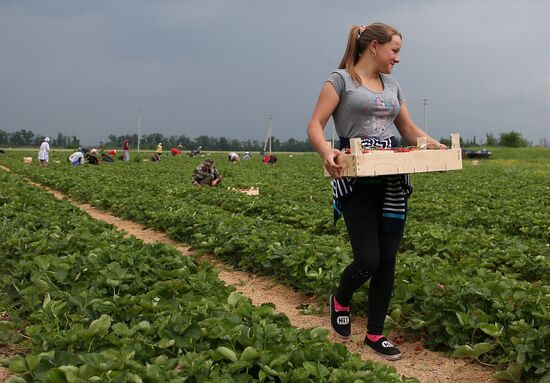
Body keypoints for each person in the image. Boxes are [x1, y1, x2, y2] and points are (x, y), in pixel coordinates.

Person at [306, 23, 445, 361]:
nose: (397, 59)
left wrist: (434, 145)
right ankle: (341, 298)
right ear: (373, 47)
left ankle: (375, 335)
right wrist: (327, 152)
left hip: (391, 176)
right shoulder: (339, 81)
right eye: (394, 51)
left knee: (388, 261)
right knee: (368, 259)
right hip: (355, 175)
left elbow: (408, 129)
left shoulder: (393, 85)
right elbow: (315, 124)